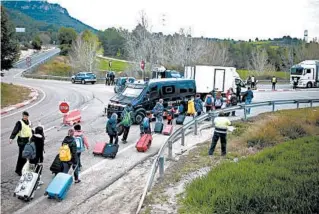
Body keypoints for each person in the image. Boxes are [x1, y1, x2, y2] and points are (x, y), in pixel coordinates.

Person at [9, 111, 33, 176]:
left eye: (27, 116)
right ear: (22, 116)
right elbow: (15, 130)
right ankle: (18, 170)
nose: (25, 117)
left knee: (27, 155)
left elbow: (30, 130)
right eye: (24, 116)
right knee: (21, 156)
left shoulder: (29, 122)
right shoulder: (19, 122)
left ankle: (24, 168)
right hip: (21, 141)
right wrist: (11, 138)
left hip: (28, 140)